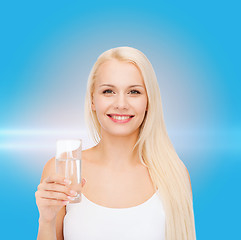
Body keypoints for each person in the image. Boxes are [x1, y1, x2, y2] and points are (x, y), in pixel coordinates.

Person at [35, 46, 196, 240]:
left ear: (149, 102)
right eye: (109, 91)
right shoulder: (62, 170)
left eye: (134, 92)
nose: (121, 104)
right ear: (92, 100)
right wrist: (46, 219)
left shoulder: (174, 175)